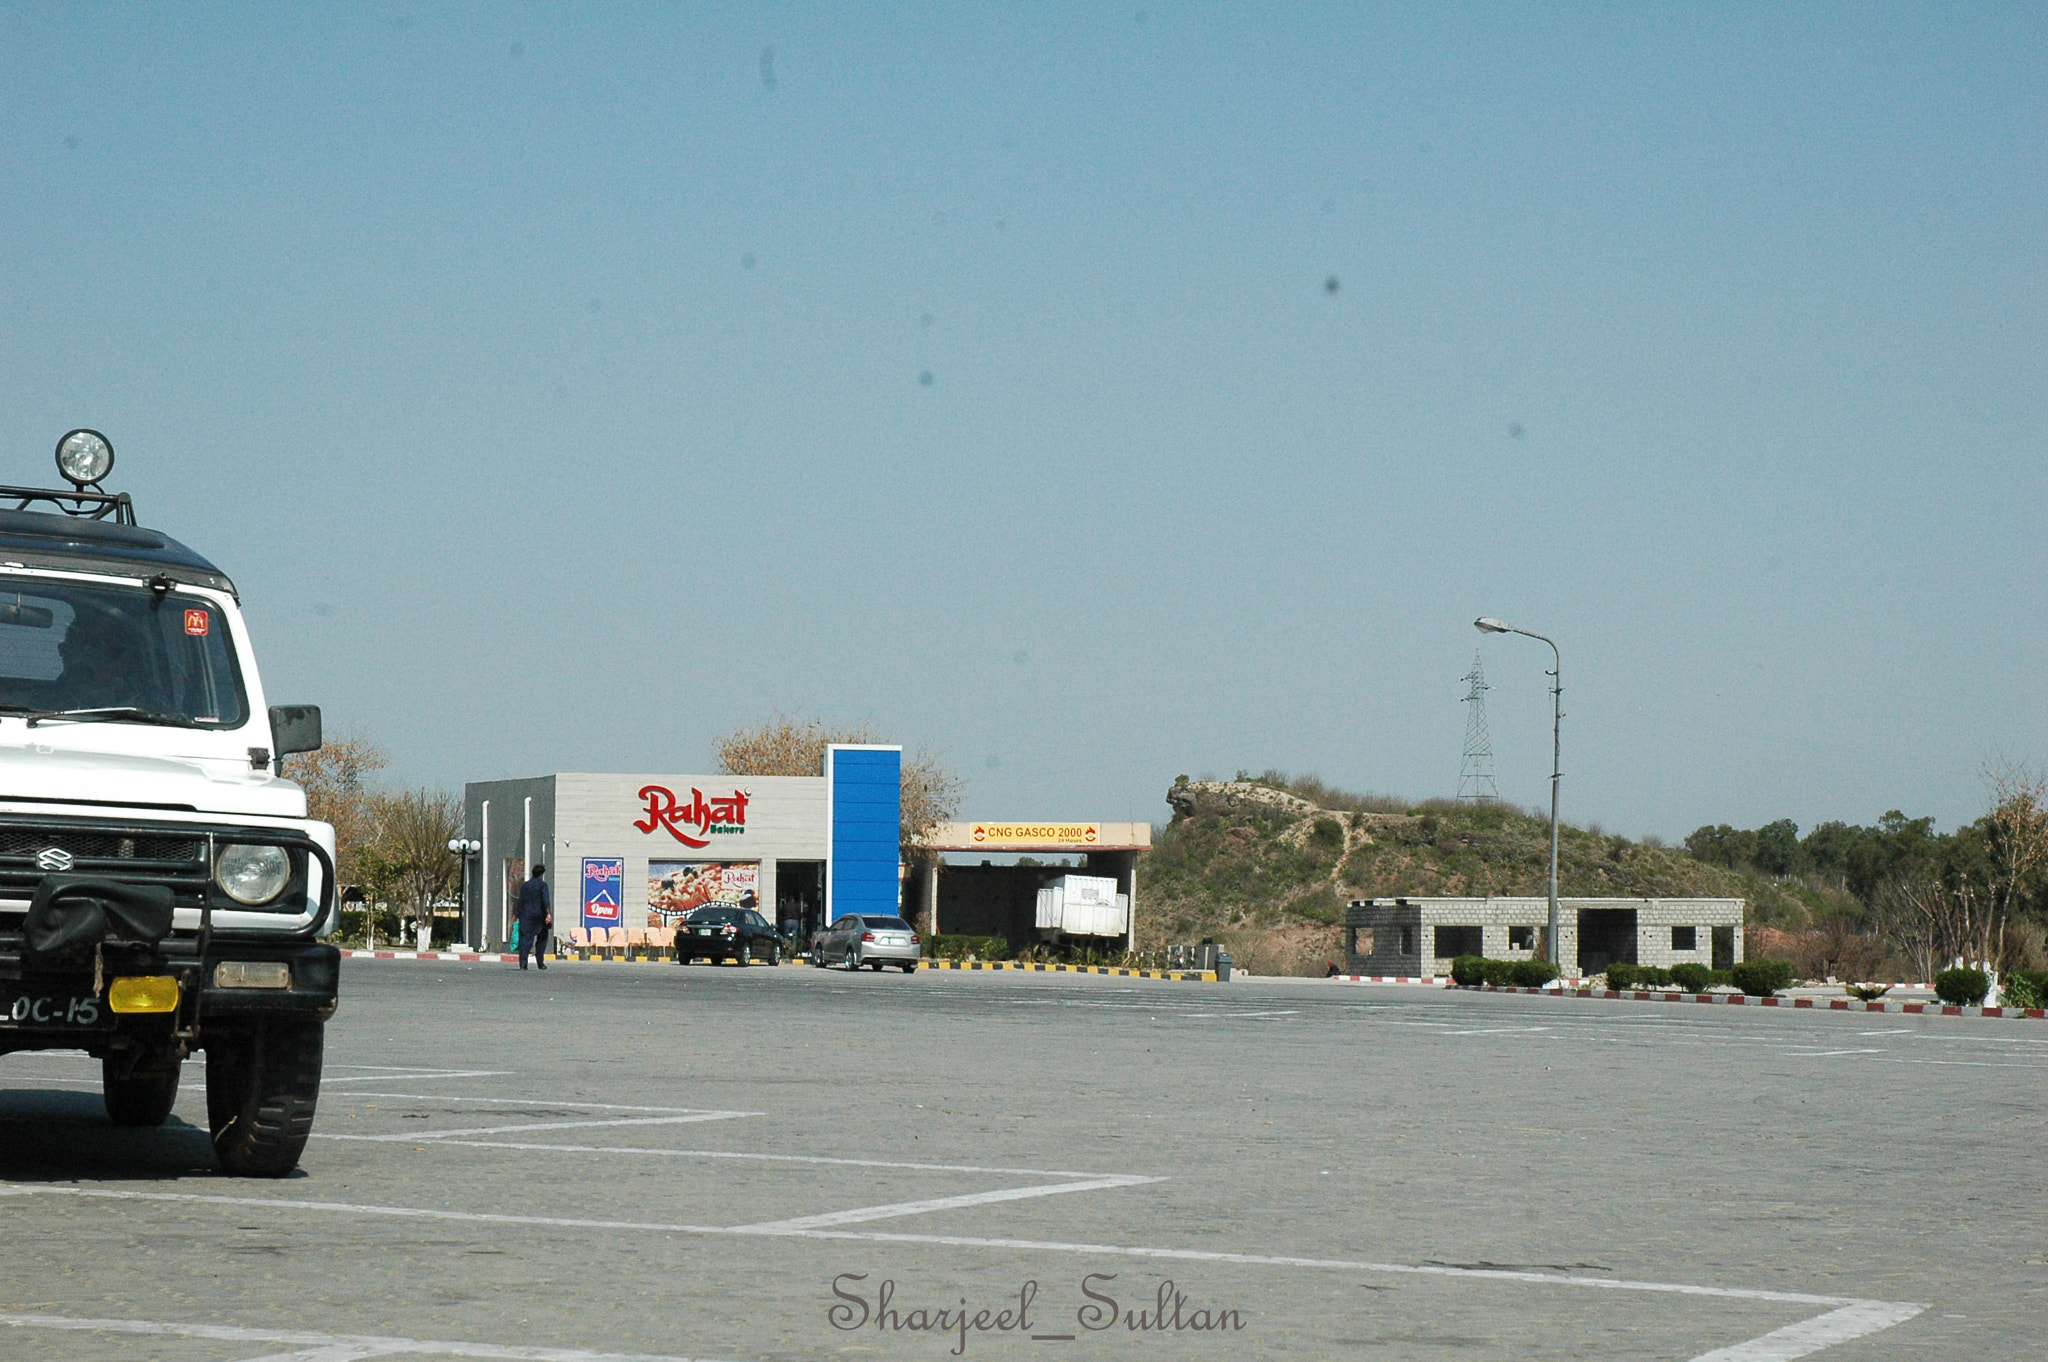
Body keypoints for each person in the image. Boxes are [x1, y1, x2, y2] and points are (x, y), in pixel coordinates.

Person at [517, 864, 552, 970]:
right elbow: (545, 900)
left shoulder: (525, 885)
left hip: (526, 916)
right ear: (542, 874)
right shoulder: (543, 885)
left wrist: (518, 915)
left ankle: (523, 963)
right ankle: (540, 962)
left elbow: (520, 901)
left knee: (525, 940)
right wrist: (548, 914)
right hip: (539, 916)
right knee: (542, 938)